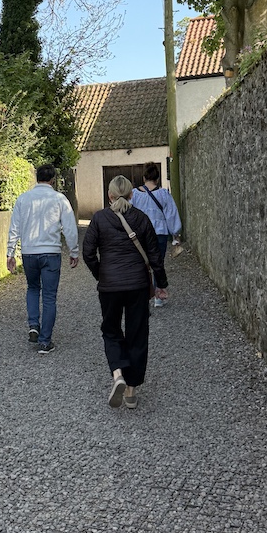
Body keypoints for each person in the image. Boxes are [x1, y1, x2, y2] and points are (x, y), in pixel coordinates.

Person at [82, 174, 168, 410]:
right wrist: (161, 283)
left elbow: (88, 253)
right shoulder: (141, 218)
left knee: (110, 330)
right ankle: (131, 391)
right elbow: (154, 255)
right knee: (137, 333)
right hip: (137, 285)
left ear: (109, 195)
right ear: (131, 195)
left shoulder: (99, 218)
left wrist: (101, 274)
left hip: (109, 286)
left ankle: (118, 373)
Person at [6, 164, 79, 354]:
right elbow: (70, 228)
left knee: (32, 288)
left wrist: (10, 252)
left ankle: (33, 325)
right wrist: (74, 251)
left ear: (36, 178)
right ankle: (45, 342)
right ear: (53, 180)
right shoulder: (59, 199)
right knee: (49, 296)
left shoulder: (23, 199)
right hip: (51, 252)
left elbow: (15, 227)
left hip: (29, 252)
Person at [131, 162, 182, 307]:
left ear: (144, 177)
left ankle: (141, 296)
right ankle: (158, 297)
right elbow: (171, 215)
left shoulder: (134, 194)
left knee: (141, 265)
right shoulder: (164, 194)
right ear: (157, 178)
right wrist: (175, 234)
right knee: (157, 265)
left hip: (140, 235)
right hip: (159, 233)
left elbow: (130, 215)